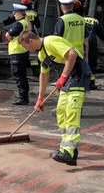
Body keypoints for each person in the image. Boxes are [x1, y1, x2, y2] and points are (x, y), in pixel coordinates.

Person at [18, 30, 90, 166]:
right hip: (67, 80)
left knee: (71, 113)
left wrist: (63, 77)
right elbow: (44, 75)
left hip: (78, 76)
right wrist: (40, 98)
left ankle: (68, 152)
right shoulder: (41, 54)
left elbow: (72, 54)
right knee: (61, 113)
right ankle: (67, 150)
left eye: (25, 46)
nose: (26, 49)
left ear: (31, 41)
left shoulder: (50, 41)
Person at [5, 3, 31, 105]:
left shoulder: (19, 24)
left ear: (19, 13)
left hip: (17, 53)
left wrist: (11, 40)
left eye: (14, 12)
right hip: (22, 52)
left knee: (18, 75)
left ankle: (23, 98)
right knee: (22, 75)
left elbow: (8, 35)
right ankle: (24, 96)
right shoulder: (25, 23)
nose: (13, 14)